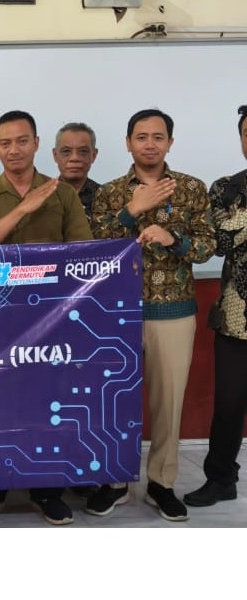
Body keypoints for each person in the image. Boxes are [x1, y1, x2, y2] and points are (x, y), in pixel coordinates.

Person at [0, 110, 91, 526]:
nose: (14, 150)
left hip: (50, 320)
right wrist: (22, 210)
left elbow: (81, 254)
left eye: (22, 141)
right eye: (5, 143)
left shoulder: (62, 194)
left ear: (36, 144)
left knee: (47, 404)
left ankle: (47, 490)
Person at [89, 108, 214, 521]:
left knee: (168, 401)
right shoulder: (109, 192)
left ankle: (161, 483)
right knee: (113, 401)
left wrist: (172, 237)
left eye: (158, 137)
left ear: (170, 143)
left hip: (172, 312)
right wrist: (131, 210)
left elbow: (207, 246)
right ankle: (114, 482)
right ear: (128, 143)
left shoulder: (191, 189)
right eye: (141, 137)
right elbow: (93, 245)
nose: (149, 144)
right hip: (114, 314)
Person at [184, 105, 247, 508]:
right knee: (228, 404)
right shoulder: (225, 188)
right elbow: (219, 242)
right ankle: (221, 477)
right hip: (237, 316)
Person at [52, 122, 100, 222]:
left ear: (94, 155)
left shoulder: (105, 196)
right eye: (66, 151)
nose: (74, 158)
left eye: (83, 151)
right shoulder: (42, 196)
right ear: (55, 155)